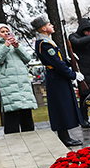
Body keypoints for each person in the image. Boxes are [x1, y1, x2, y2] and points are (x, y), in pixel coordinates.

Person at [30, 15, 83, 147]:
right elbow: (56, 64)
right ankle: (64, 137)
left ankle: (65, 136)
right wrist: (72, 74)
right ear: (43, 28)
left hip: (58, 77)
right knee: (61, 107)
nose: (52, 26)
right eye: (49, 25)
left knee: (63, 106)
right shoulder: (44, 44)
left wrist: (68, 61)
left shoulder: (47, 42)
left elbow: (59, 61)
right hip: (56, 78)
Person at [0, 23, 37, 134]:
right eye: (2, 32)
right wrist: (6, 46)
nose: (5, 34)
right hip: (8, 82)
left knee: (26, 111)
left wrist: (17, 47)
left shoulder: (16, 43)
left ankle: (30, 134)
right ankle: (12, 138)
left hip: (22, 81)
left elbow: (27, 58)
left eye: (7, 31)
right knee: (12, 111)